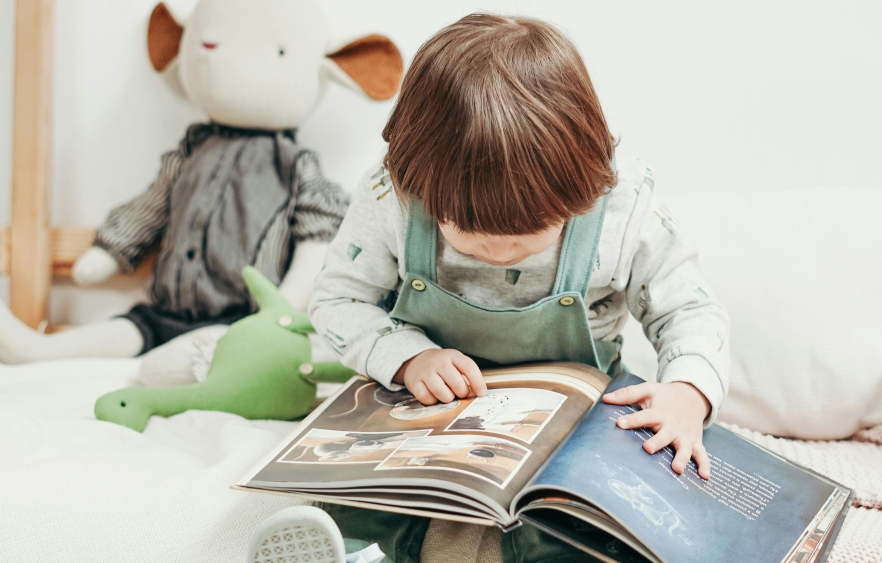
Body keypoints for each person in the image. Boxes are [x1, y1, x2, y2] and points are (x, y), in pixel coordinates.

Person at [247, 13, 730, 563]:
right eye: (470, 234)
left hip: (573, 420)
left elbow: (690, 310)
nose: (500, 253)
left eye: (528, 236)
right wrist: (408, 359)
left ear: (585, 181)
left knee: (573, 523)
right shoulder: (393, 197)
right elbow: (338, 299)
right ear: (416, 182)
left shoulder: (624, 204)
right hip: (424, 408)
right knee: (368, 503)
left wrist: (689, 394)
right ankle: (352, 551)